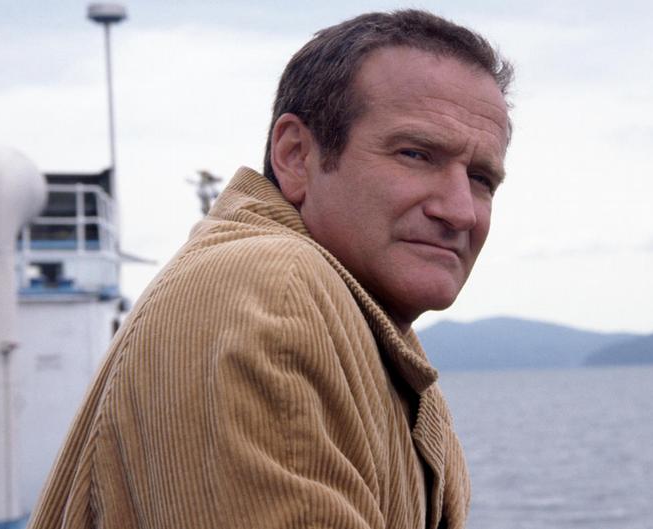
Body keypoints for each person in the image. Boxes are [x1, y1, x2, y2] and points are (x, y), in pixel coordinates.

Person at [28, 9, 512, 529]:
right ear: (296, 156)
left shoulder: (357, 324)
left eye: (481, 179)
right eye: (416, 154)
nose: (461, 211)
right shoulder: (270, 290)